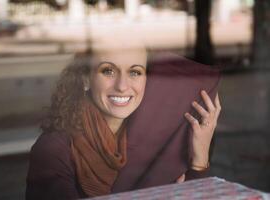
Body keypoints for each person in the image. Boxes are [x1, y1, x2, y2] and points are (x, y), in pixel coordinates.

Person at [26, 38, 221, 199]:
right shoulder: (53, 150)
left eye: (135, 72)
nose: (122, 86)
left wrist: (199, 161)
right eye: (108, 71)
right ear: (85, 79)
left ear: (147, 81)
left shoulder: (150, 143)